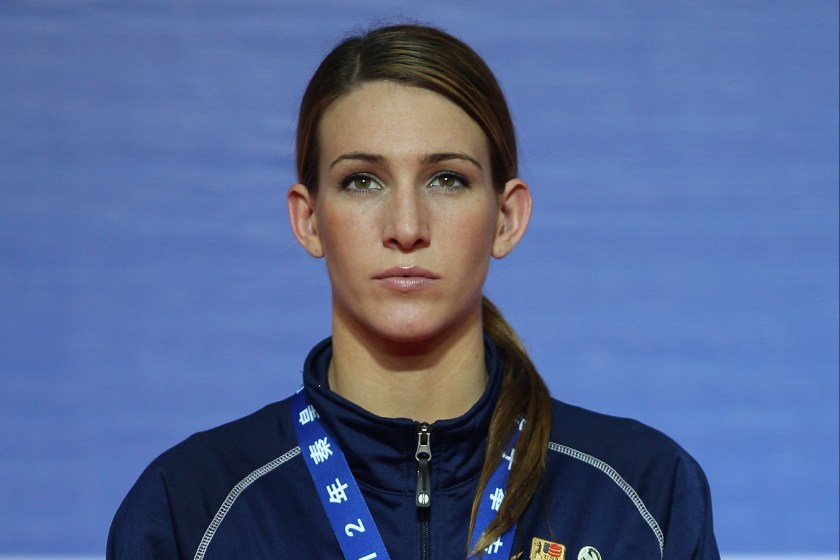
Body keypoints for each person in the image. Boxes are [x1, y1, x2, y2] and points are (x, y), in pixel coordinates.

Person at [107, 23, 719, 559]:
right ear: (308, 219)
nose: (406, 228)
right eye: (362, 181)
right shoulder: (188, 511)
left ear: (506, 218)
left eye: (447, 179)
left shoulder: (643, 493)